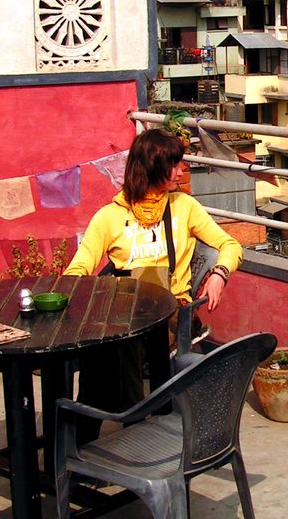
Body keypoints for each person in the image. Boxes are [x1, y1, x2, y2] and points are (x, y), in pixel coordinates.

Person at [63, 127, 242, 441]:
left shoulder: (184, 208)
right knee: (106, 346)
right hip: (123, 312)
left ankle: (113, 428)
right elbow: (80, 266)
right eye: (172, 165)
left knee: (114, 353)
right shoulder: (110, 216)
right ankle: (125, 428)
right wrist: (68, 291)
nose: (180, 170)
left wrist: (219, 274)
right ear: (151, 169)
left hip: (169, 314)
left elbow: (230, 245)